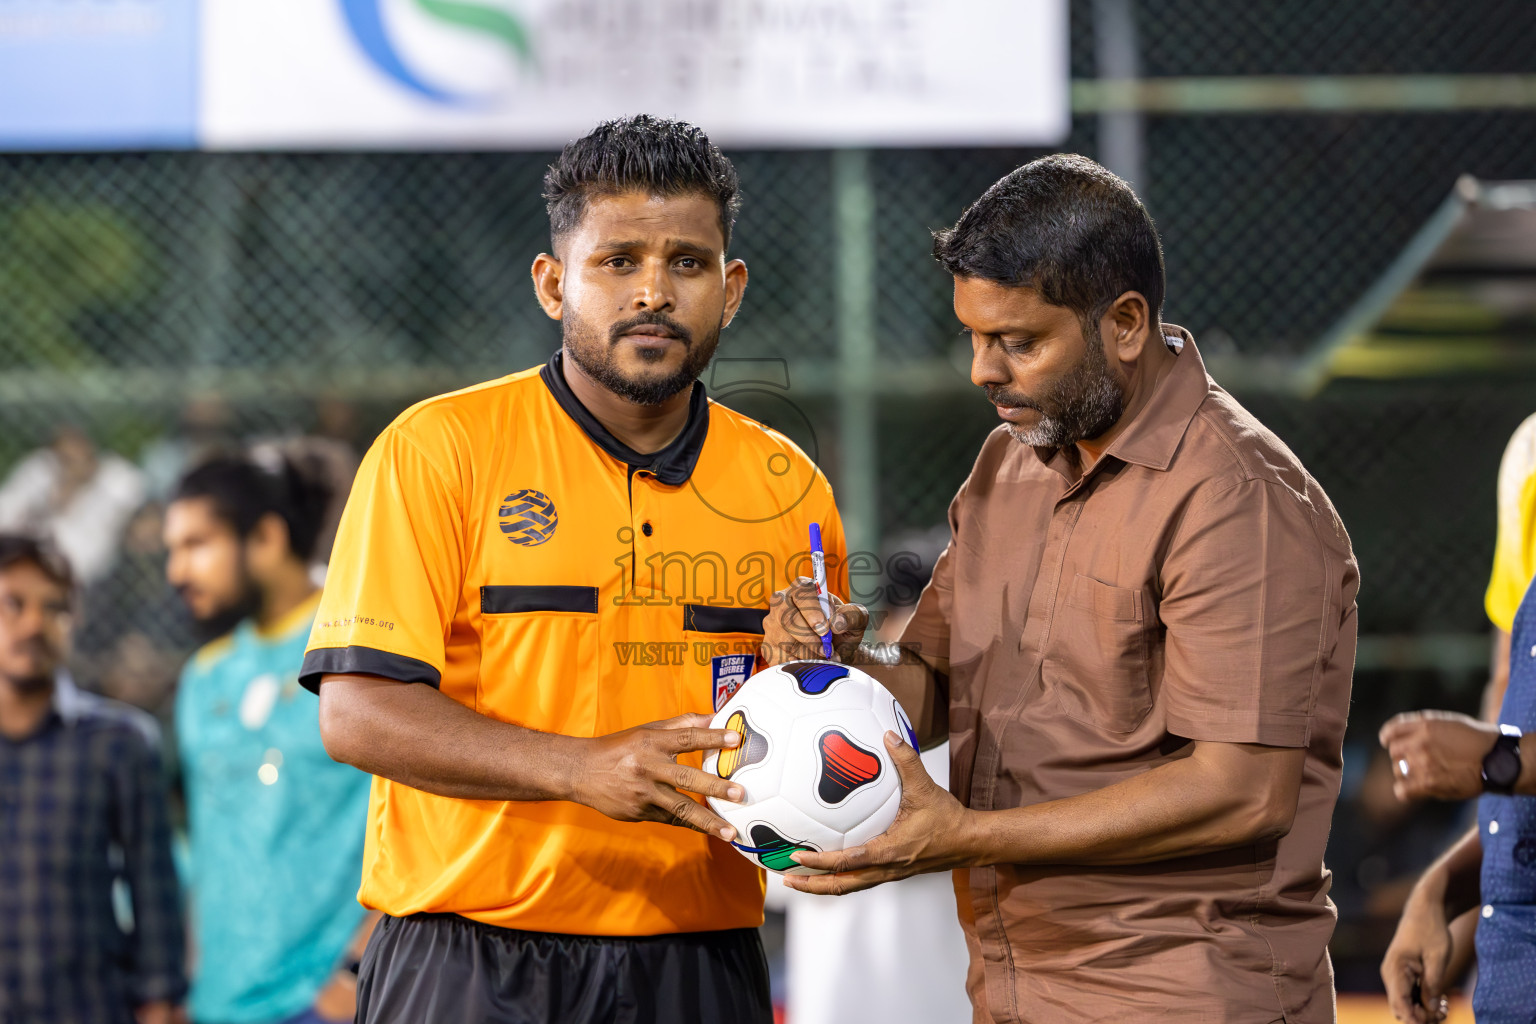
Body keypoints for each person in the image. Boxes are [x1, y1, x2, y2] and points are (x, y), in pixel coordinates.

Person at [767, 154, 1359, 1023]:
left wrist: (969, 839)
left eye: (1019, 342)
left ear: (1124, 322)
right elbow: (932, 683)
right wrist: (841, 666)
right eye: (973, 336)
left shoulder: (1239, 495)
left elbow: (1243, 788)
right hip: (1012, 985)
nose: (982, 371)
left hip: (1182, 996)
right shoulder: (1011, 462)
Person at [303, 115, 848, 1024]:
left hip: (697, 961)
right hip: (468, 955)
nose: (653, 293)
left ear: (732, 287)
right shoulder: (437, 451)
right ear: (554, 284)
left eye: (687, 263)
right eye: (618, 261)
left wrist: (826, 677)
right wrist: (579, 767)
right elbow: (357, 713)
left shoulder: (790, 487)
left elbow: (800, 729)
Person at [164, 454, 376, 1024]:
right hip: (214, 1004)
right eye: (172, 549)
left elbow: (431, 819)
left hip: (324, 1004)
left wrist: (357, 974)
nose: (176, 570)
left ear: (266, 536)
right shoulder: (203, 676)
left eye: (197, 544)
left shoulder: (364, 644)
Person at [1379, 412, 1536, 1024]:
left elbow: (1506, 755)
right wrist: (1443, 892)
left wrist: (1496, 758)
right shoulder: (1529, 452)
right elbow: (1511, 734)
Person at [0, 533, 186, 1024]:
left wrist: (162, 1001)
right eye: (12, 605)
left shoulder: (119, 742)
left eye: (54, 607)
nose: (34, 623)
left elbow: (154, 888)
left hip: (89, 1007)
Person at [0, 424, 146, 585]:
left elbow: (140, 518)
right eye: (67, 459)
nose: (77, 463)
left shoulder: (118, 478)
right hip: (33, 566)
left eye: (82, 454)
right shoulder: (42, 474)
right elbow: (7, 514)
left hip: (96, 578)